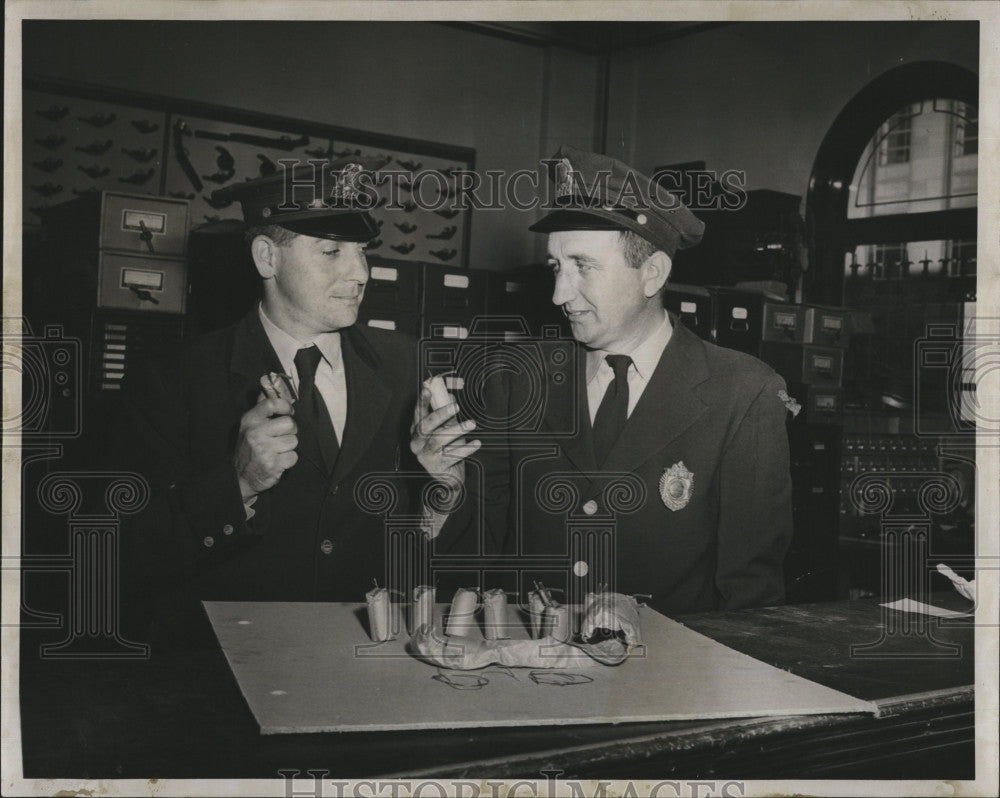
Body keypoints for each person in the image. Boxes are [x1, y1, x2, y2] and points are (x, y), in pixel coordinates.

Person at [412, 145, 793, 616]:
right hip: (532, 664)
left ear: (652, 273)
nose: (558, 294)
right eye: (556, 266)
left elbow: (751, 598)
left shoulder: (744, 393)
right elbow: (476, 559)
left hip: (664, 678)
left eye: (583, 266)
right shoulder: (516, 380)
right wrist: (447, 489)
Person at [121, 158, 471, 647]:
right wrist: (238, 483)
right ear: (267, 257)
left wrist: (443, 495)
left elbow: (439, 555)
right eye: (331, 252)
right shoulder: (173, 381)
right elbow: (129, 554)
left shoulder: (407, 367)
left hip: (369, 657)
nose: (360, 273)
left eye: (362, 251)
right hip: (231, 661)